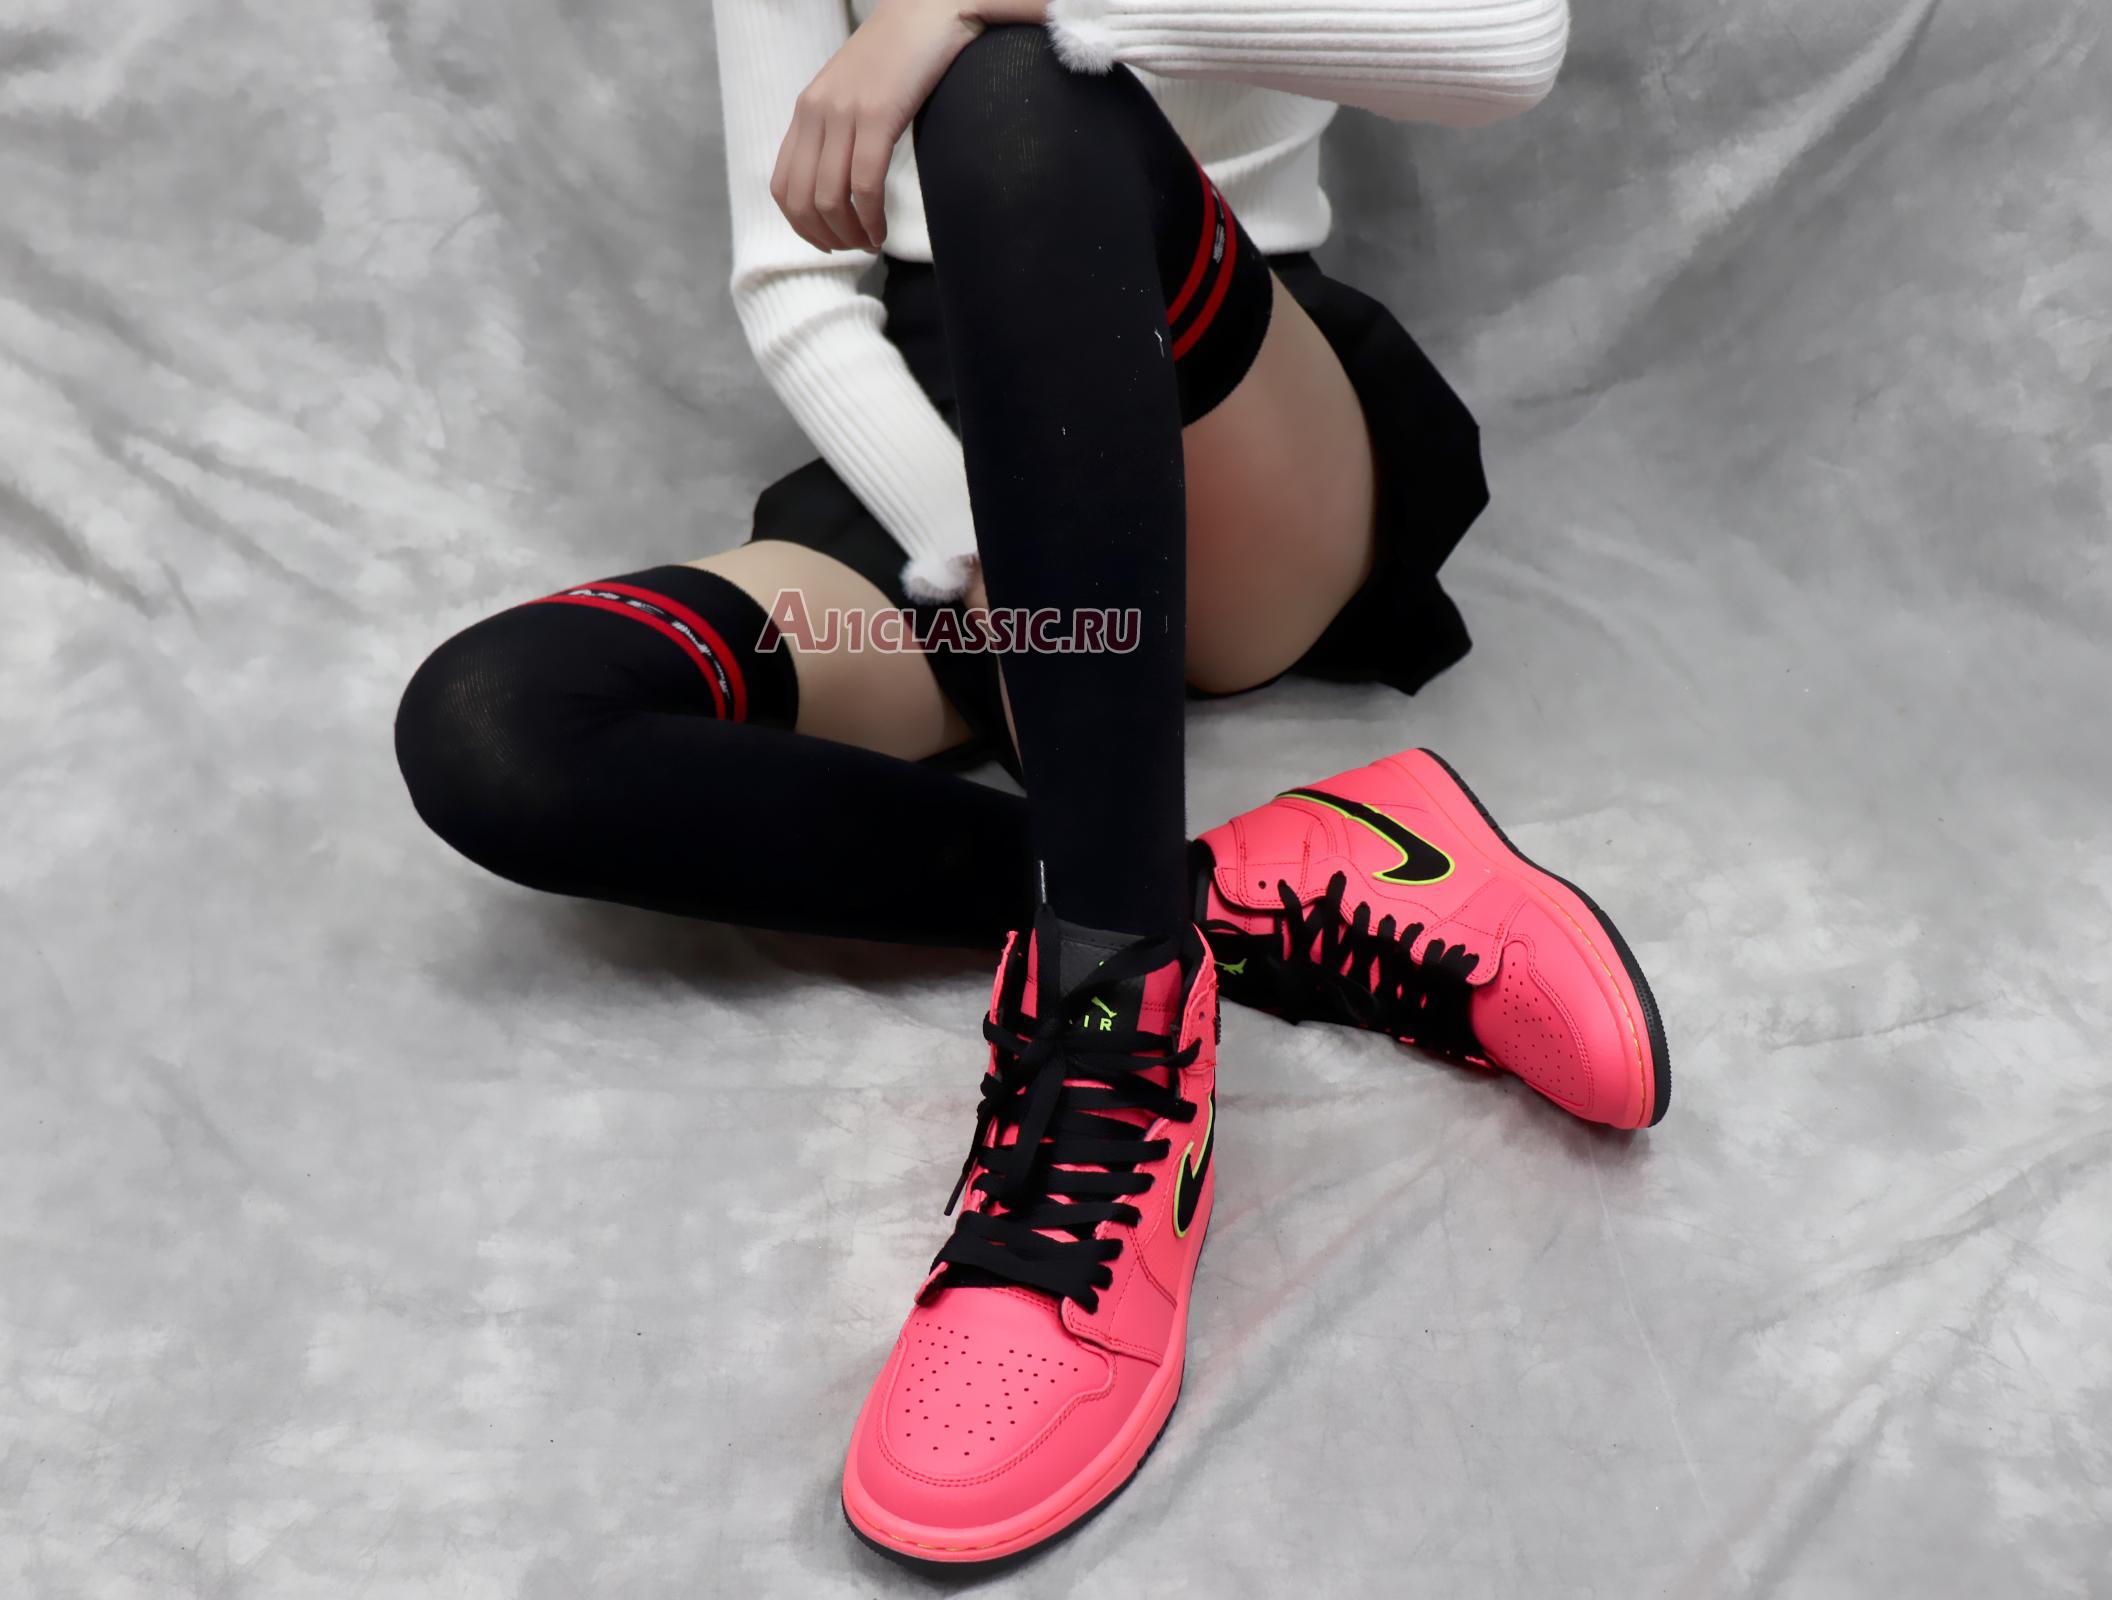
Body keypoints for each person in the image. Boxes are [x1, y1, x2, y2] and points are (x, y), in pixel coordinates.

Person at [393, 0, 1668, 1568]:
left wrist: (987, 6)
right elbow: (796, 292)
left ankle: (1112, 1028)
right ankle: (1248, 887)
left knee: (1012, 95)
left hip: (1231, 399)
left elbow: (1502, 48)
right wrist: (988, 564)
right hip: (946, 449)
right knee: (501, 727)